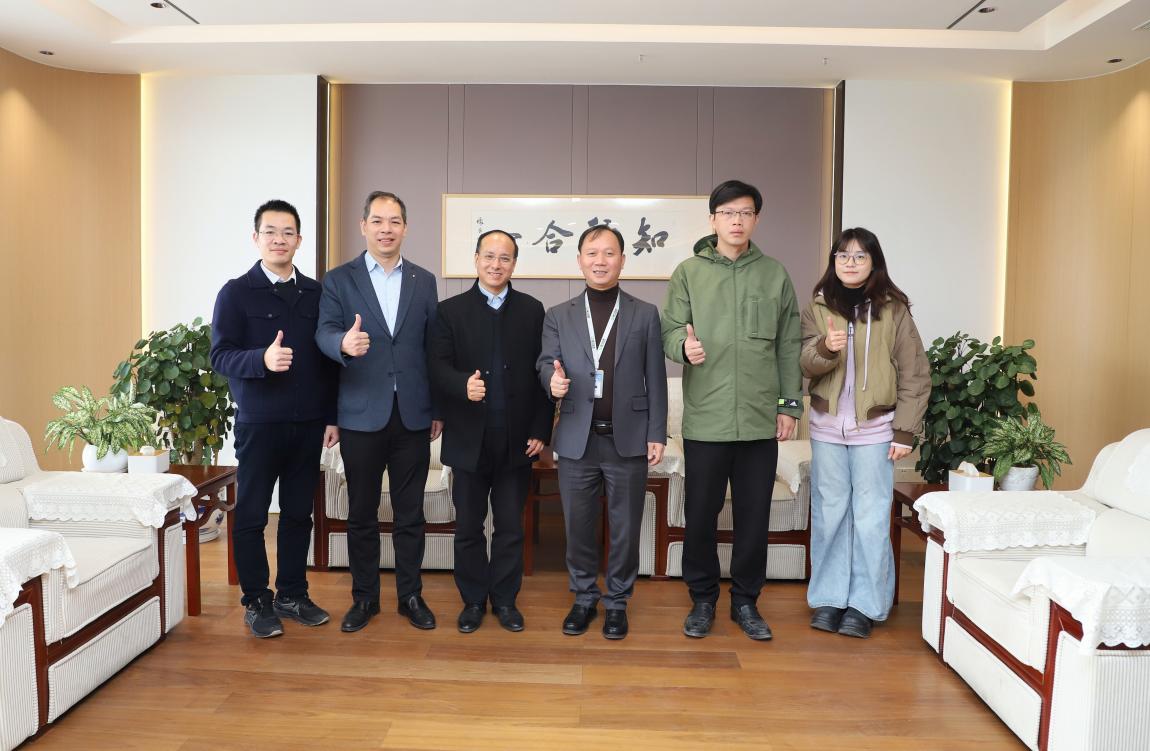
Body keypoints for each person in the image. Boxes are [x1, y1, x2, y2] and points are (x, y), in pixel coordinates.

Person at [661, 179, 803, 641]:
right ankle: (702, 600)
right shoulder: (689, 272)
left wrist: (789, 405)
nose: (736, 220)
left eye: (745, 212)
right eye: (727, 212)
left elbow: (789, 345)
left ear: (756, 219)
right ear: (713, 219)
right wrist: (684, 347)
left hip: (760, 420)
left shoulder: (775, 274)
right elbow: (668, 331)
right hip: (706, 419)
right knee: (700, 516)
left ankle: (745, 602)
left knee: (753, 518)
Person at [209, 199, 338, 638]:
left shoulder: (316, 293)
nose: (279, 239)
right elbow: (220, 356)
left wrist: (332, 417)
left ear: (299, 240)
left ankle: (292, 594)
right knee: (252, 515)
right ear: (256, 238)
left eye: (288, 233)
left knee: (299, 514)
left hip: (308, 424)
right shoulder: (235, 292)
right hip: (260, 424)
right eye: (270, 232)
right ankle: (256, 600)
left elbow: (329, 362)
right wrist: (261, 359)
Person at [315, 190, 442, 633]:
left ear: (405, 228)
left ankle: (411, 596)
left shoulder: (424, 280)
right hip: (360, 413)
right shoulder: (339, 279)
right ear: (363, 226)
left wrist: (437, 407)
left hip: (413, 414)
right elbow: (323, 333)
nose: (386, 229)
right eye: (378, 221)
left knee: (410, 514)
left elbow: (433, 348)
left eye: (394, 222)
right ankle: (365, 598)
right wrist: (342, 343)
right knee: (362, 514)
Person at [538, 224, 667, 641]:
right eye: (592, 253)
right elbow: (545, 362)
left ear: (622, 261)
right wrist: (551, 381)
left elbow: (656, 377)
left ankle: (617, 603)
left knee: (625, 527)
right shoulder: (558, 315)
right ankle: (583, 598)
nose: (600, 261)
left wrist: (657, 432)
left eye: (609, 253)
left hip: (627, 439)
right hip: (578, 438)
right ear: (579, 260)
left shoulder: (644, 313)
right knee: (577, 526)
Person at [800, 227, 929, 638]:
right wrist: (826, 348)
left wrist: (905, 431)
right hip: (826, 427)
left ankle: (865, 605)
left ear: (874, 263)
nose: (850, 263)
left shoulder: (894, 310)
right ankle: (829, 598)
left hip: (876, 428)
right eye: (843, 255)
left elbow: (915, 373)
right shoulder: (819, 306)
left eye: (859, 256)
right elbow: (804, 363)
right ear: (833, 262)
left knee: (871, 518)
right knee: (830, 513)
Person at [427, 230, 553, 633]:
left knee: (510, 528)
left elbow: (544, 372)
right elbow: (436, 367)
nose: (496, 265)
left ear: (514, 264)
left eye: (505, 258)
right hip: (469, 438)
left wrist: (541, 429)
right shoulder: (450, 311)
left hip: (518, 440)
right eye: (489, 256)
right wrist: (460, 385)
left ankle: (505, 600)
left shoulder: (532, 310)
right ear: (476, 259)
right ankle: (472, 601)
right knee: (468, 527)